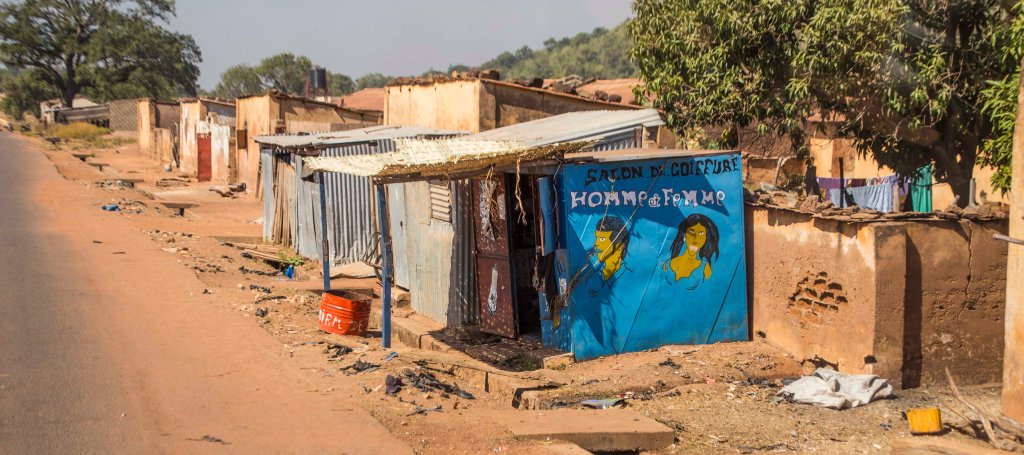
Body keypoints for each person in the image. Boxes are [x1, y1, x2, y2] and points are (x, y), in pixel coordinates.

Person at [664, 213, 719, 290]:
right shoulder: (668, 264)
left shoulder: (704, 268)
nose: (695, 240)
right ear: (684, 236)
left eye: (701, 233)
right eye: (692, 232)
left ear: (705, 239)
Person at [593, 215, 629, 282]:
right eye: (596, 238)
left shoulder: (628, 278)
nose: (596, 244)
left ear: (619, 244)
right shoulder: (594, 278)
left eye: (602, 239)